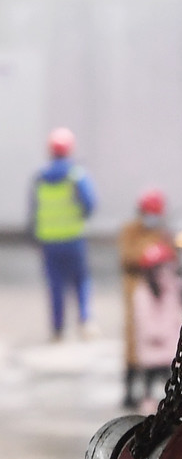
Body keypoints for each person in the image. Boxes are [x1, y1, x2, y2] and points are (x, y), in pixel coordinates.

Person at [30, 128, 97, 340]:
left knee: (55, 285)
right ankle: (85, 322)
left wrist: (35, 236)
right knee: (81, 281)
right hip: (73, 238)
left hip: (49, 241)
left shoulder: (40, 177)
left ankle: (58, 329)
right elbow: (89, 204)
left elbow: (34, 210)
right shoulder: (76, 175)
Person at [118, 189, 177, 408]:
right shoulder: (130, 232)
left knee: (164, 340)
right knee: (135, 343)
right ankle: (130, 388)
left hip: (160, 294)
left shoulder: (164, 233)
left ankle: (163, 388)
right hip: (137, 291)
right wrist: (150, 255)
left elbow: (171, 257)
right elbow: (128, 257)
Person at [128, 242, 182, 411]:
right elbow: (145, 324)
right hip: (151, 353)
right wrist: (163, 334)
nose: (164, 273)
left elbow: (178, 315)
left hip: (170, 352)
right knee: (149, 390)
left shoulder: (172, 289)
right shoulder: (142, 294)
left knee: (174, 387)